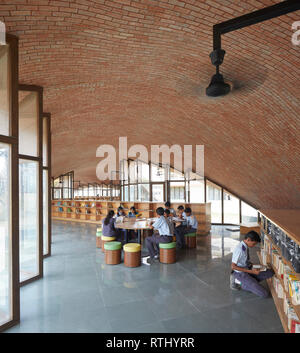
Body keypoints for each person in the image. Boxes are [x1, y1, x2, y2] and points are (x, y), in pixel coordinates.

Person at [230, 231, 274, 298]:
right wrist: (251, 272)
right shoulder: (239, 249)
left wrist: (257, 266)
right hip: (240, 273)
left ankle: (249, 282)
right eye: (253, 244)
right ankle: (241, 283)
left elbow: (245, 261)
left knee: (270, 272)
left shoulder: (245, 246)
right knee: (264, 294)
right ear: (248, 240)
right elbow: (233, 266)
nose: (254, 246)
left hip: (247, 269)